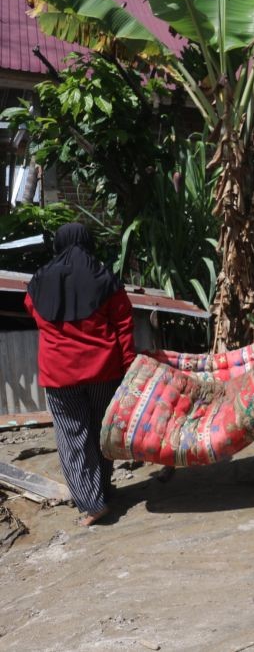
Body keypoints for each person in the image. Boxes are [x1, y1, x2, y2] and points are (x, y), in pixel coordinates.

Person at [24, 224, 135, 526]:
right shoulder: (106, 279)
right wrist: (129, 368)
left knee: (73, 436)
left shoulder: (38, 281)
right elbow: (124, 324)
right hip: (103, 370)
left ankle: (91, 501)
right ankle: (103, 491)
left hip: (59, 375)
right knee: (101, 431)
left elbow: (33, 311)